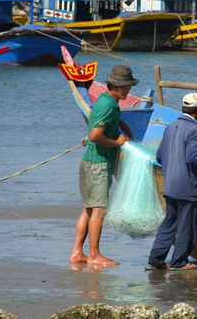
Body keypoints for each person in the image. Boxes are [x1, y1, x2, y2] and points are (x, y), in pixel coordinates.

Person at [69, 65, 138, 266]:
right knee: (98, 210)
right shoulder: (109, 105)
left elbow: (94, 118)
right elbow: (95, 135)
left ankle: (76, 253)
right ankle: (94, 255)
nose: (129, 91)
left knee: (88, 209)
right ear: (120, 87)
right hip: (98, 165)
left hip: (88, 162)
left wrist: (120, 123)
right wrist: (117, 142)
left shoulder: (103, 100)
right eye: (127, 87)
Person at [148, 93, 197, 271]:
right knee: (187, 226)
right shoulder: (195, 130)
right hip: (189, 186)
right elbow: (192, 157)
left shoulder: (171, 126)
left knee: (169, 223)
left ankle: (156, 259)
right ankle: (179, 262)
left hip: (170, 184)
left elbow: (160, 156)